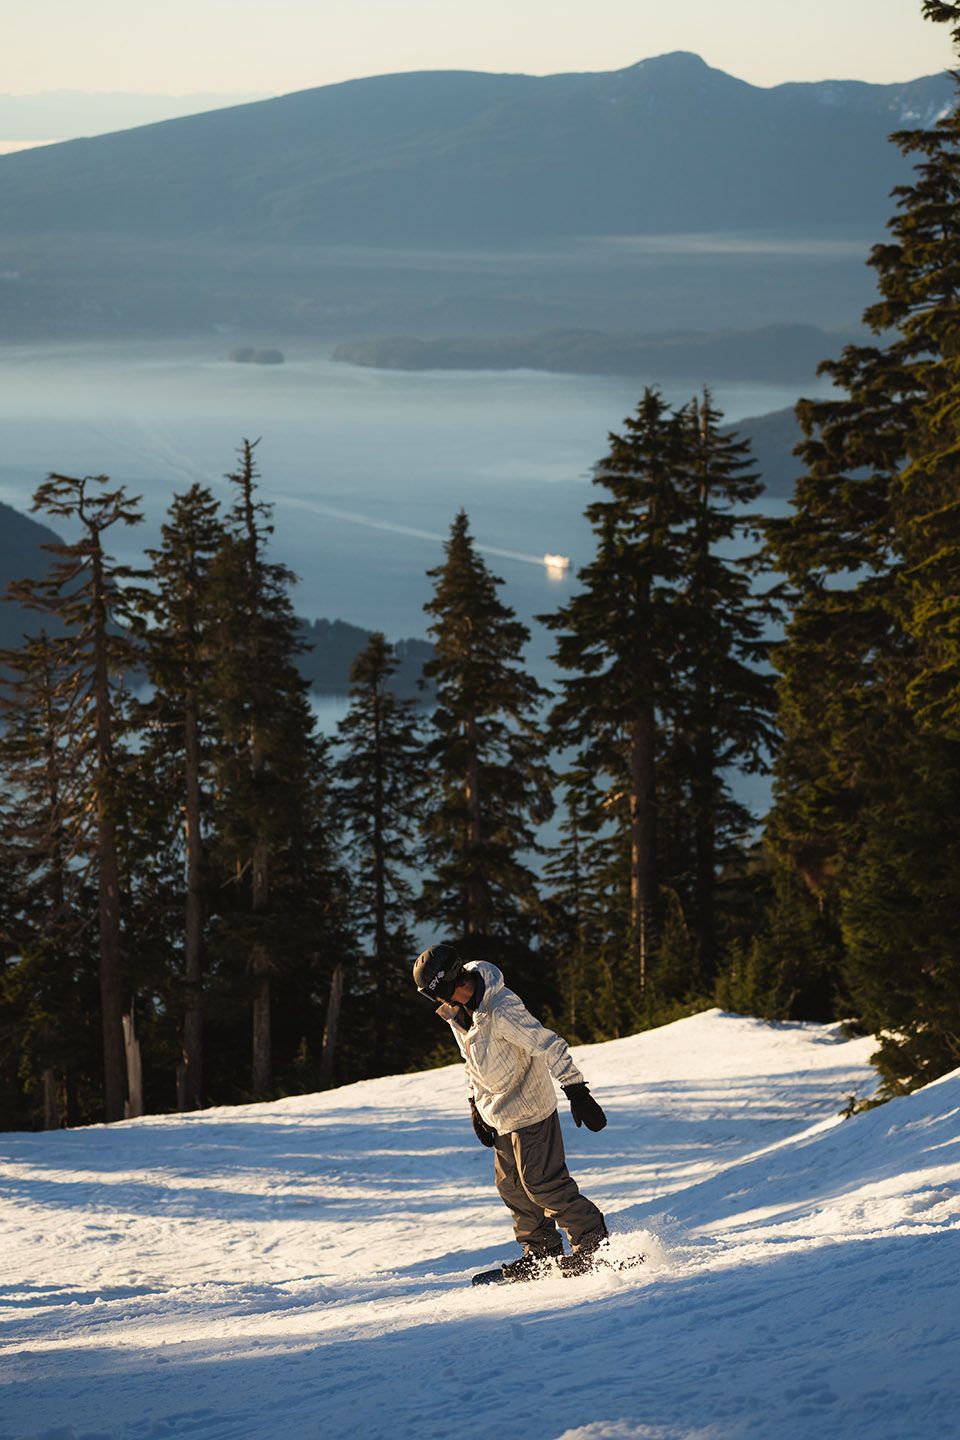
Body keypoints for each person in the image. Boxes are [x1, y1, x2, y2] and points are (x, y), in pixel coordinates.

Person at [413, 942, 609, 1281]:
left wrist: (576, 1090)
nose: (437, 1003)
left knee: (542, 1184)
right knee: (512, 1187)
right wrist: (475, 1106)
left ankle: (594, 1245)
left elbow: (549, 1044)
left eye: (436, 995)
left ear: (448, 986)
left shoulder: (501, 1009)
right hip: (501, 1113)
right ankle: (542, 1252)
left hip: (530, 1110)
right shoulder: (460, 1013)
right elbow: (470, 1062)